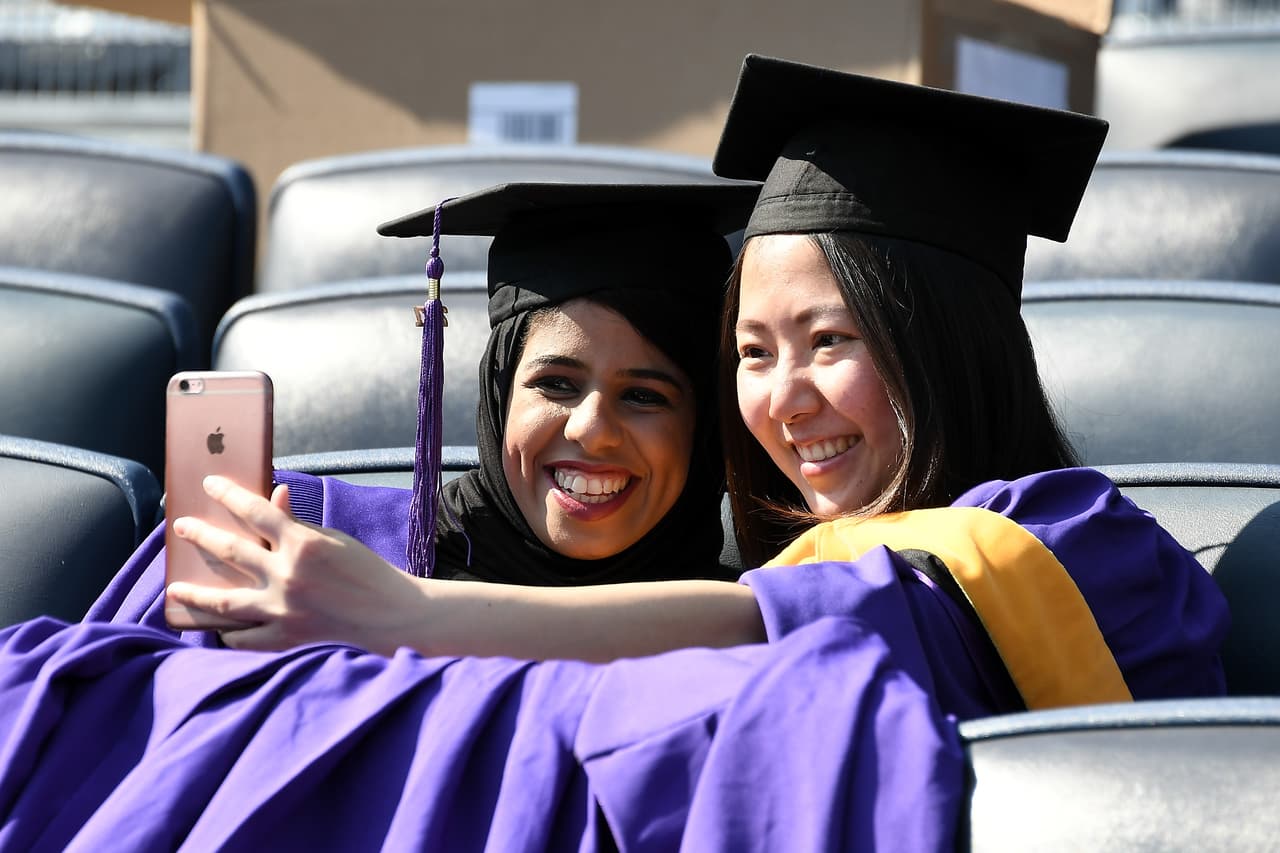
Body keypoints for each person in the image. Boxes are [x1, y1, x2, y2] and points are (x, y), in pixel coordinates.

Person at [0, 55, 1229, 850]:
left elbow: (786, 627)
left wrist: (411, 610)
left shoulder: (1066, 537)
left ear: (943, 340)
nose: (783, 398)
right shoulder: (777, 546)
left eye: (828, 339)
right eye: (750, 351)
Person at [88, 181, 759, 649]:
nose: (591, 428)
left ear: (703, 424)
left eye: (646, 395)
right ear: (498, 396)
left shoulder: (749, 626)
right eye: (555, 383)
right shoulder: (295, 542)